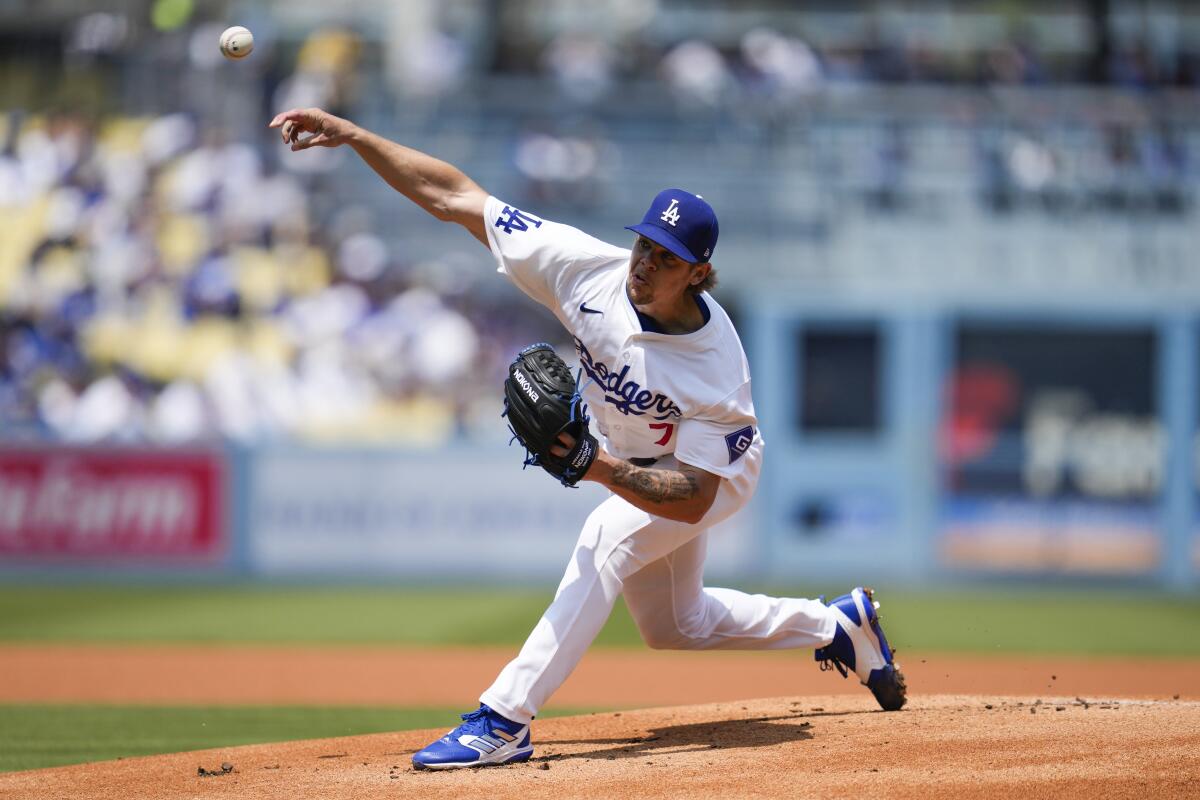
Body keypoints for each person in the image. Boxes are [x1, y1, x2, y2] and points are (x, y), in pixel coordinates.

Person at [269, 107, 907, 771]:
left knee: (604, 539)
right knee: (673, 627)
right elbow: (457, 197)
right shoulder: (583, 270)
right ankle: (837, 624)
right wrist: (356, 137)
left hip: (710, 477)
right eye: (645, 246)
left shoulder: (716, 369)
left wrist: (596, 468)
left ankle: (503, 720)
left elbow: (693, 499)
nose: (647, 263)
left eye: (668, 258)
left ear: (698, 272)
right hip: (635, 459)